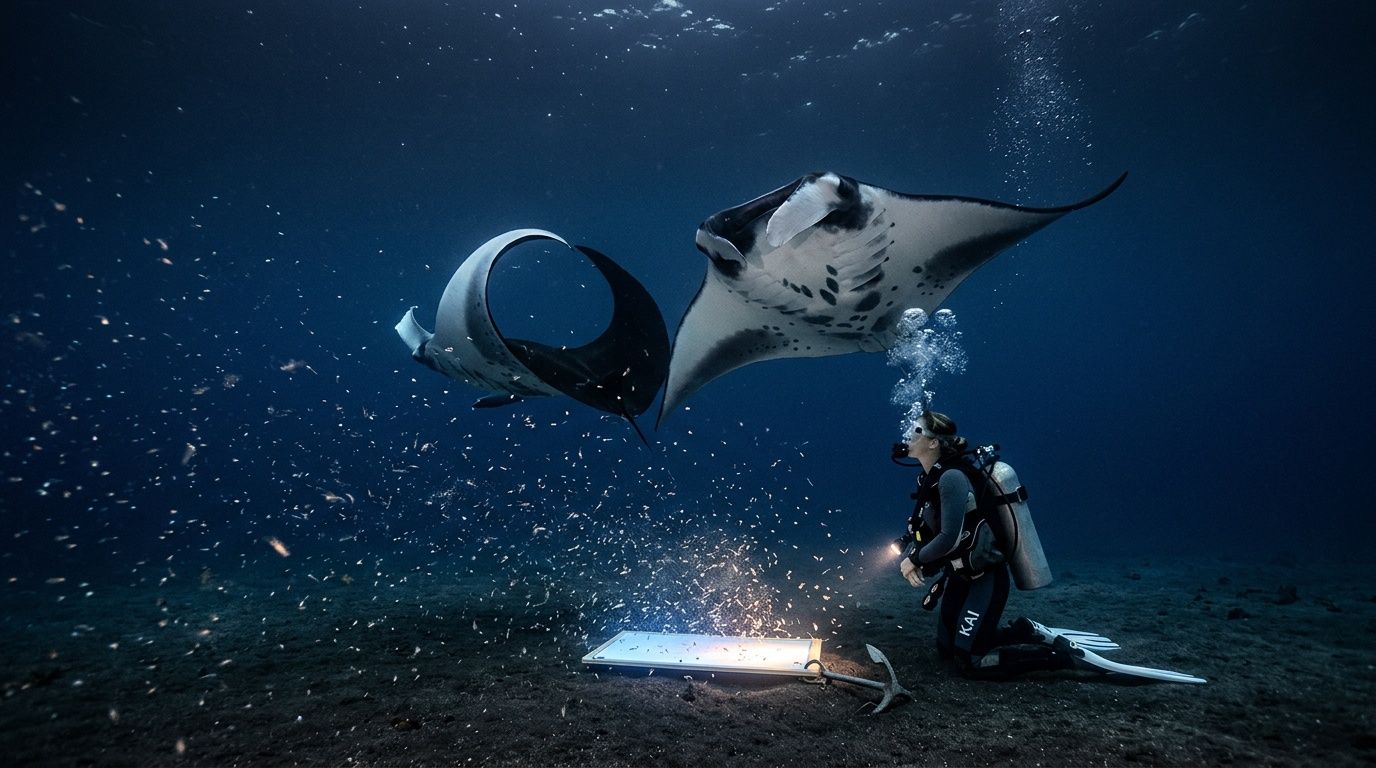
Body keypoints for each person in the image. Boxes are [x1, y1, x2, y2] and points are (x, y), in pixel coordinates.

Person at [897, 411, 1074, 680]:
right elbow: (928, 528)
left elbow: (949, 538)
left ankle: (1057, 658)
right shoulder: (929, 479)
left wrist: (916, 560)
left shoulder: (951, 478)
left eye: (916, 431)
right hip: (959, 576)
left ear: (934, 442)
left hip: (985, 578)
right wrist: (914, 549)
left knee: (970, 660)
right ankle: (1020, 632)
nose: (909, 435)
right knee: (946, 650)